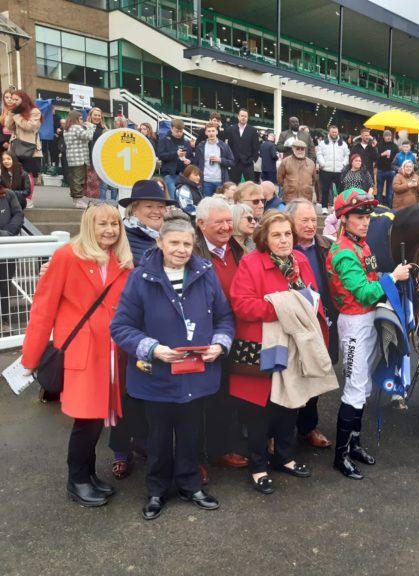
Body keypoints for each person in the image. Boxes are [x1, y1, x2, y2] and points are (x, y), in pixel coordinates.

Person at [111, 213, 233, 520]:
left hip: (196, 376)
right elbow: (121, 327)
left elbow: (224, 317)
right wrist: (153, 349)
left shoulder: (205, 273)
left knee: (192, 434)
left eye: (187, 243)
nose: (181, 249)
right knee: (159, 438)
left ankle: (191, 485)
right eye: (175, 243)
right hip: (157, 377)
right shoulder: (140, 278)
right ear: (160, 242)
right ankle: (156, 490)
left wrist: (219, 345)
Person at [22, 204, 133, 507]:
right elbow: (43, 308)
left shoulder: (122, 260)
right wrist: (30, 357)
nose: (110, 230)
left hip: (113, 352)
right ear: (88, 225)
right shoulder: (67, 256)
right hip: (83, 352)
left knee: (98, 418)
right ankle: (77, 480)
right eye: (102, 224)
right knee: (87, 418)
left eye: (114, 224)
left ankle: (88, 475)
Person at [229, 211, 332, 494]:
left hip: (294, 344)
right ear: (265, 237)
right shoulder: (251, 263)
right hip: (261, 345)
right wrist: (283, 307)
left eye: (287, 234)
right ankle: (258, 467)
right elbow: (242, 305)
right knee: (259, 411)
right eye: (277, 235)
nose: (284, 240)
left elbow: (311, 296)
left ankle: (284, 457)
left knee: (291, 404)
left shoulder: (299, 260)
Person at [327, 189, 411, 478]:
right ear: (344, 219)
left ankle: (354, 444)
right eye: (359, 218)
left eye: (367, 217)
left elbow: (372, 280)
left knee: (362, 388)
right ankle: (341, 455)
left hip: (369, 319)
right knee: (354, 388)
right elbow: (364, 292)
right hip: (354, 322)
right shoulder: (343, 252)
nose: (365, 223)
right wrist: (393, 278)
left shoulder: (361, 246)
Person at [107, 181, 179, 479]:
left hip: (162, 327)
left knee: (152, 392)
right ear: (134, 209)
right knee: (125, 392)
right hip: (130, 327)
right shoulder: (122, 236)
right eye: (149, 206)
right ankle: (121, 450)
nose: (156, 211)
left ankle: (148, 443)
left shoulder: (167, 237)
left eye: (161, 206)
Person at [193, 197, 249, 478]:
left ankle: (221, 449)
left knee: (228, 396)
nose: (227, 227)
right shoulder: (192, 252)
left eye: (229, 221)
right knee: (200, 401)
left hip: (236, 334)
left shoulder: (238, 249)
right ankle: (195, 458)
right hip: (204, 338)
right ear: (201, 224)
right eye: (219, 222)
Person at [286, 198, 337, 448]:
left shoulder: (326, 245)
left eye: (312, 220)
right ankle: (281, 431)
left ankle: (308, 427)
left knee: (316, 374)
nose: (309, 225)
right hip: (292, 322)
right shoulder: (282, 246)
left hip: (321, 320)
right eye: (303, 220)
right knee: (290, 376)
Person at [5, 91, 42, 202]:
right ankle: (16, 199)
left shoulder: (34, 111)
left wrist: (17, 116)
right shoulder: (15, 112)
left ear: (24, 100)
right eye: (13, 99)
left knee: (27, 174)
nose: (14, 101)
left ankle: (28, 199)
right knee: (15, 172)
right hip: (15, 146)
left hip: (29, 147)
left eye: (16, 99)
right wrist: (12, 112)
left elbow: (30, 126)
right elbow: (8, 126)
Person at [0, 181, 24, 332]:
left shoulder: (9, 194)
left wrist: (5, 234)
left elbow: (18, 214)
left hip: (7, 247)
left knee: (4, 285)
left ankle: (4, 321)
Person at [62, 110, 96, 209]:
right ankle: (78, 201)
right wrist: (91, 127)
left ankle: (76, 200)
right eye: (81, 118)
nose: (82, 120)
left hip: (72, 157)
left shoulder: (67, 128)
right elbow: (88, 136)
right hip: (80, 157)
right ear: (75, 119)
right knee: (78, 179)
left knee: (74, 179)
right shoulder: (76, 127)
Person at [195, 122, 235, 197]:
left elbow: (232, 162)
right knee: (207, 205)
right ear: (206, 133)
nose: (211, 133)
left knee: (220, 205)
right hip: (206, 181)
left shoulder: (224, 146)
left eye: (213, 131)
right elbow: (196, 163)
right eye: (209, 131)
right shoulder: (200, 146)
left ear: (216, 132)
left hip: (220, 181)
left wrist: (220, 160)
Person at [157, 119, 194, 198]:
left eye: (181, 131)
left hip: (183, 175)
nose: (179, 133)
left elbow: (191, 157)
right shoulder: (164, 140)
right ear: (171, 129)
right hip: (169, 174)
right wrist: (175, 153)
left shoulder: (186, 141)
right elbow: (160, 155)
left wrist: (189, 160)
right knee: (173, 197)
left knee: (184, 197)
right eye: (177, 131)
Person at [316, 125, 349, 214]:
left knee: (340, 190)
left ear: (338, 132)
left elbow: (347, 155)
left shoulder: (343, 144)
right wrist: (322, 163)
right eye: (332, 132)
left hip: (339, 170)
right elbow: (319, 154)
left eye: (336, 132)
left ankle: (339, 207)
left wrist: (343, 164)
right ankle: (324, 208)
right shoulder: (322, 143)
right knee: (325, 189)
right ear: (329, 132)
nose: (334, 134)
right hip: (326, 170)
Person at [225, 109, 259, 183]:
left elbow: (256, 146)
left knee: (250, 186)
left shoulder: (253, 130)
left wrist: (253, 159)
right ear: (238, 117)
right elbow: (229, 146)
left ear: (247, 118)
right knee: (233, 185)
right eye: (242, 116)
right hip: (234, 162)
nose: (243, 118)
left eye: (245, 116)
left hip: (248, 162)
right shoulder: (231, 129)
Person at [277, 140, 317, 204]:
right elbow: (280, 178)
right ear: (293, 149)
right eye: (298, 149)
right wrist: (288, 187)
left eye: (302, 149)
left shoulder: (311, 163)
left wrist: (306, 187)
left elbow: (314, 179)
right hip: (290, 197)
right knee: (289, 213)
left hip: (306, 197)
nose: (300, 151)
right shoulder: (285, 161)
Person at [376, 129, 399, 207]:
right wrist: (383, 154)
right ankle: (379, 208)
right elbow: (375, 157)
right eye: (386, 136)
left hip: (391, 171)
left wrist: (391, 157)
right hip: (380, 170)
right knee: (379, 191)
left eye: (390, 136)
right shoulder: (379, 145)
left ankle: (388, 208)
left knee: (390, 192)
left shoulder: (394, 146)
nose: (388, 137)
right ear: (384, 136)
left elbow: (397, 158)